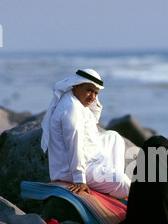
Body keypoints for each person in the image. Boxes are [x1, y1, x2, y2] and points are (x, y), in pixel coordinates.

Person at [41, 69, 131, 199]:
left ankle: (109, 176)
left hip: (88, 156)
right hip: (70, 170)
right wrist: (79, 179)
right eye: (89, 90)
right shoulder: (71, 109)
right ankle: (116, 187)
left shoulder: (76, 100)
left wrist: (91, 95)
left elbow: (93, 119)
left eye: (96, 93)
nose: (93, 97)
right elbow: (74, 145)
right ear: (76, 85)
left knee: (113, 137)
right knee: (123, 182)